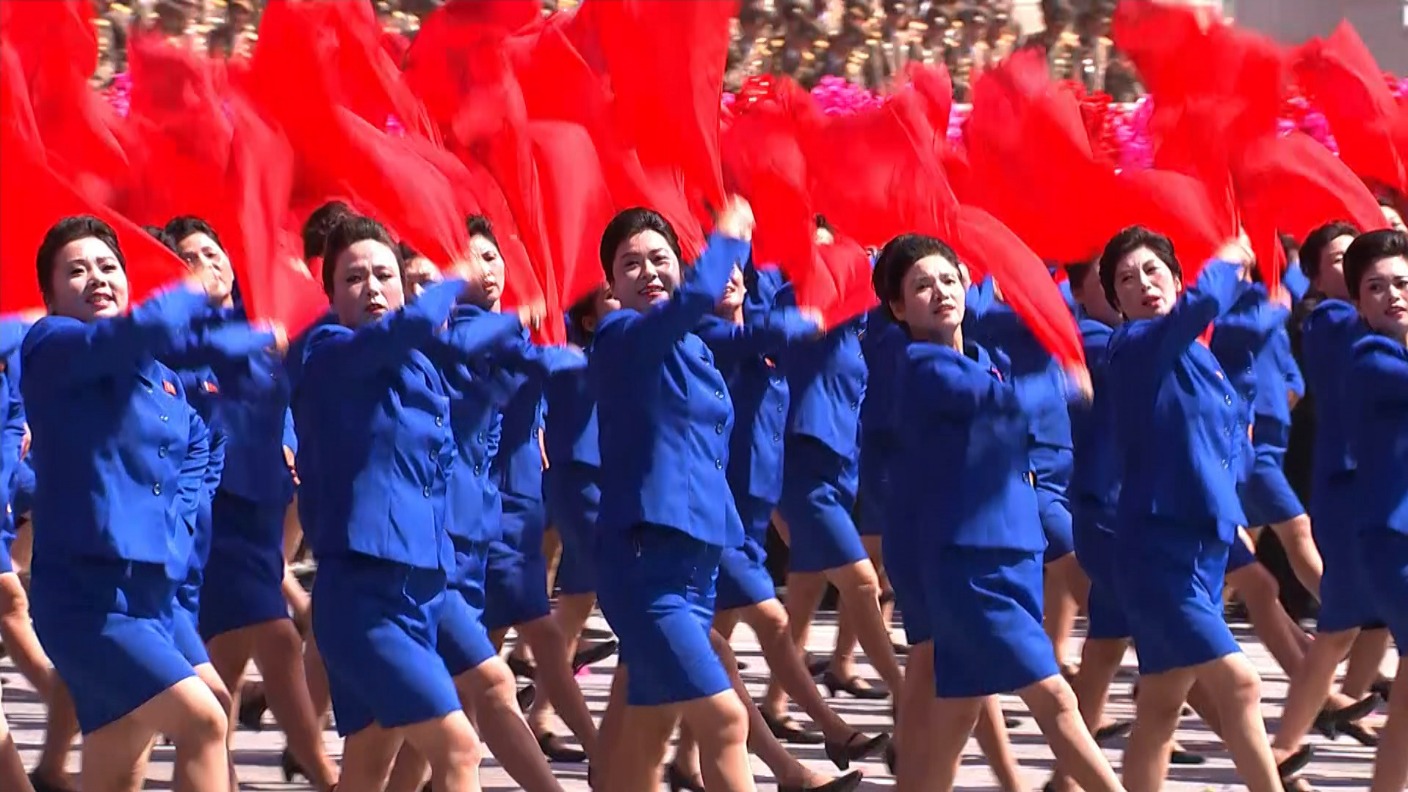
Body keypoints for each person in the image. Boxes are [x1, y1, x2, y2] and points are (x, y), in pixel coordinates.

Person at [21, 215, 272, 792]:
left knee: (119, 764)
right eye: (77, 271)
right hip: (89, 601)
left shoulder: (161, 378)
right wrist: (188, 289)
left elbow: (199, 448)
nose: (97, 278)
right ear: (52, 293)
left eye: (109, 267)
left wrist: (177, 528)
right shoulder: (52, 345)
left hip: (156, 594)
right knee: (204, 718)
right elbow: (123, 338)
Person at [878, 233, 1118, 792]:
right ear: (897, 308)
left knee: (958, 712)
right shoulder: (922, 367)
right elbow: (997, 405)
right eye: (919, 286)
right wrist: (1062, 376)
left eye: (947, 278)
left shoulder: (985, 359)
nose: (939, 291)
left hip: (1010, 552)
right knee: (1054, 695)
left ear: (967, 282)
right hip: (969, 564)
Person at [296, 215, 520, 792]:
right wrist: (454, 279)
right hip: (364, 594)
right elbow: (405, 328)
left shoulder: (419, 365)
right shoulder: (328, 351)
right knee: (458, 746)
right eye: (353, 278)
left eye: (383, 275)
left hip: (425, 583)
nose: (372, 288)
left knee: (371, 760)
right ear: (331, 294)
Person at [1099, 226, 1293, 792]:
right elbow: (1205, 301)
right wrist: (1229, 258)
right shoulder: (1133, 346)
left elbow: (1230, 441)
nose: (1143, 285)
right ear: (1116, 301)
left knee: (1161, 704)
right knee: (1238, 685)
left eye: (1153, 271)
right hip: (1158, 549)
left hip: (1204, 544)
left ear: (1175, 279)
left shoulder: (1195, 355)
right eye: (1126, 280)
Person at [590, 202, 757, 791]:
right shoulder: (619, 336)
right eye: (629, 264)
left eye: (660, 258)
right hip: (646, 565)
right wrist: (729, 241)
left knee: (646, 737)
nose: (648, 272)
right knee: (725, 718)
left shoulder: (693, 347)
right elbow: (680, 313)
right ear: (610, 285)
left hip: (698, 561)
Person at [1342, 228, 1408, 792]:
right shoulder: (1370, 357)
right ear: (1359, 303)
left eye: (1403, 283)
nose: (1393, 295)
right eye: (1376, 287)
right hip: (1394, 543)